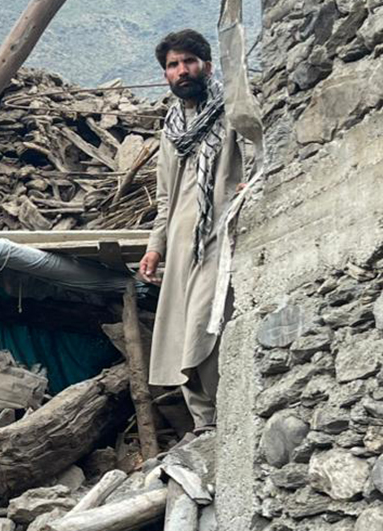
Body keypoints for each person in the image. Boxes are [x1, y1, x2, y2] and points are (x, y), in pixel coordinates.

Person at [138, 29, 244, 436]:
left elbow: (255, 160)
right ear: (166, 74)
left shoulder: (232, 111)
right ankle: (205, 425)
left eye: (188, 62)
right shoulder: (172, 130)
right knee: (182, 332)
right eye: (172, 65)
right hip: (182, 245)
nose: (181, 71)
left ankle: (227, 416)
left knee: (206, 324)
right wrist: (154, 247)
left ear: (207, 66)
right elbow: (166, 197)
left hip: (220, 234)